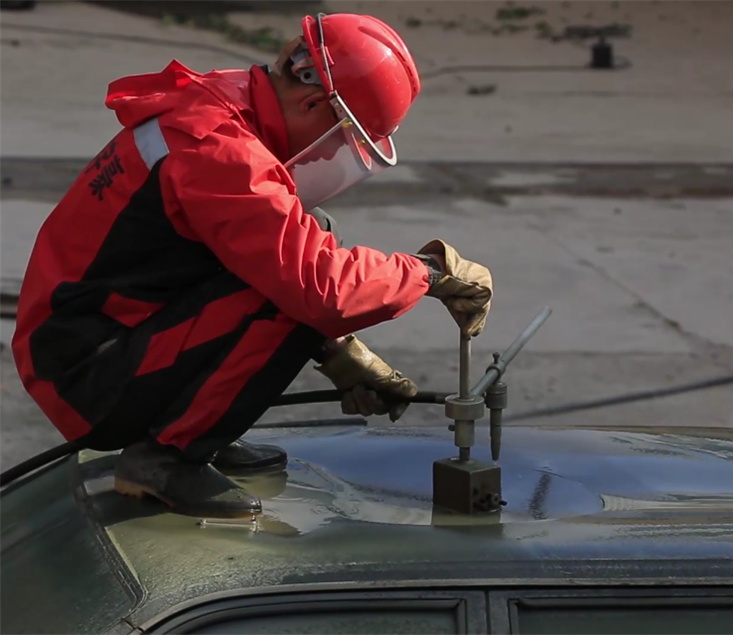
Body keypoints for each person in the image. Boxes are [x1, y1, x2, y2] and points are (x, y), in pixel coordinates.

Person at [11, 12, 492, 518]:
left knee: (310, 232)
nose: (329, 158)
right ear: (311, 102)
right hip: (86, 378)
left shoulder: (225, 100)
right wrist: (429, 272)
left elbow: (253, 250)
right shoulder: (221, 149)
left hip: (90, 343)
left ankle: (198, 430)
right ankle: (166, 456)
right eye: (342, 143)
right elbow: (319, 288)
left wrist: (338, 352)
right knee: (296, 287)